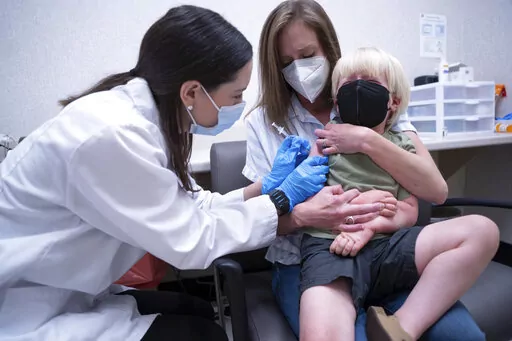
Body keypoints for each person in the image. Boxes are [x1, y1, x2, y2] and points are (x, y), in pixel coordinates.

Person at [0, 5, 383, 341]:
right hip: (29, 307)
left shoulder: (146, 123)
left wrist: (265, 187)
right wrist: (289, 208)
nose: (238, 105)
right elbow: (192, 241)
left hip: (66, 287)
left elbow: (193, 205)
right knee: (206, 332)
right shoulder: (112, 136)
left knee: (199, 312)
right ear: (191, 93)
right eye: (235, 96)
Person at [244, 1, 498, 340]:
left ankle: (401, 327)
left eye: (307, 56)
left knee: (462, 336)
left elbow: (434, 192)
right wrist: (314, 214)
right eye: (286, 62)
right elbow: (258, 217)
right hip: (316, 254)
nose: (298, 70)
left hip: (387, 250)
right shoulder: (264, 123)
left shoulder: (380, 104)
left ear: (328, 49)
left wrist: (365, 140)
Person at [299, 47, 499, 341]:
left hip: (389, 247)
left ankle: (401, 328)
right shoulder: (327, 139)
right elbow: (305, 195)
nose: (357, 86)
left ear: (393, 102)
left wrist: (372, 226)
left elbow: (409, 211)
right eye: (347, 82)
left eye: (369, 81)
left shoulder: (401, 147)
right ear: (337, 101)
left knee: (482, 230)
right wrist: (355, 206)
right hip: (332, 247)